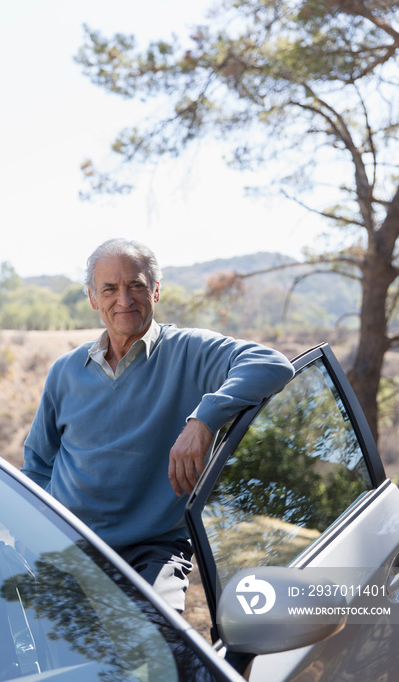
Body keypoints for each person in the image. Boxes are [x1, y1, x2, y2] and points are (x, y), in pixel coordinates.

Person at [22, 238, 294, 612]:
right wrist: (36, 533)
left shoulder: (189, 351)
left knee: (161, 650)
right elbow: (37, 464)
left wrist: (204, 418)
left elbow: (272, 363)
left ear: (156, 290)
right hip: (69, 543)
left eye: (136, 285)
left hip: (153, 550)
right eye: (110, 289)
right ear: (92, 298)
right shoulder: (65, 371)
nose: (125, 299)